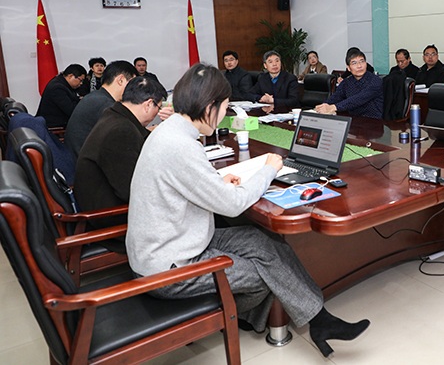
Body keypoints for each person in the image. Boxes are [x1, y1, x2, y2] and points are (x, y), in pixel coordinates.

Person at [125, 63, 369, 357]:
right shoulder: (179, 145)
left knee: (262, 240)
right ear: (209, 106)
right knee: (266, 272)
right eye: (224, 108)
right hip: (170, 267)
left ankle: (319, 320)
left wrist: (216, 182)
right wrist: (269, 169)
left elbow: (182, 183)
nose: (223, 116)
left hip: (178, 241)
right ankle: (241, 316)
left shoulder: (171, 132)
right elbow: (233, 204)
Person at [74, 76, 167, 229]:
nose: (157, 113)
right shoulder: (121, 131)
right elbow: (132, 191)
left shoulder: (115, 116)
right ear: (148, 104)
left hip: (107, 204)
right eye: (158, 107)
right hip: (112, 217)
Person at [65, 60, 138, 158]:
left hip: (77, 157)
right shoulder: (106, 105)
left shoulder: (96, 96)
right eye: (132, 84)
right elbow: (124, 137)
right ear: (120, 80)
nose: (133, 89)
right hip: (85, 162)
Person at [316, 47, 383, 119]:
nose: (359, 66)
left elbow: (358, 99)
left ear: (366, 64)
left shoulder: (376, 81)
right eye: (354, 63)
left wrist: (333, 107)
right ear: (348, 68)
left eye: (362, 61)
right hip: (353, 120)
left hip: (373, 121)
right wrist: (323, 106)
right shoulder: (346, 82)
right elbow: (336, 97)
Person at [36, 63, 87, 128]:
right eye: (80, 80)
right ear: (70, 76)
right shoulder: (57, 88)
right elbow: (71, 110)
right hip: (54, 124)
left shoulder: (62, 82)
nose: (81, 83)